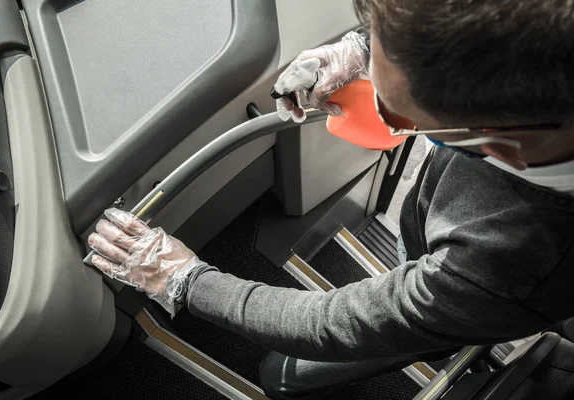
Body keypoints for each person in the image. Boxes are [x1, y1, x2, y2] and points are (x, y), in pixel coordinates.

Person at [87, 0, 574, 398]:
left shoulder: (511, 264)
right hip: (442, 244)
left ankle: (417, 341)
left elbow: (329, 321)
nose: (369, 95)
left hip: (471, 296)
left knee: (334, 353)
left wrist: (183, 280)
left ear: (497, 141)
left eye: (394, 115)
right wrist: (364, 50)